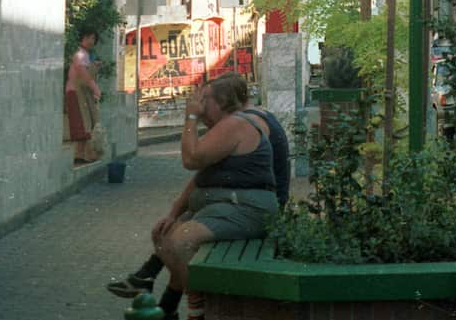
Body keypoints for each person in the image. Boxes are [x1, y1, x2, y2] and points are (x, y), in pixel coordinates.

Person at [106, 74, 290, 304]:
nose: (200, 108)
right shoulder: (231, 124)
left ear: (221, 102)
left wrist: (191, 117)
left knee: (182, 241)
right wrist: (173, 213)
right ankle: (167, 305)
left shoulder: (239, 123)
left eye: (204, 100)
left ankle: (201, 308)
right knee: (163, 235)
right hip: (227, 205)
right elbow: (202, 176)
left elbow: (191, 159)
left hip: (246, 208)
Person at [66, 31, 101, 165]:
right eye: (87, 37)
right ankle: (79, 155)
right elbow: (83, 74)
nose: (90, 40)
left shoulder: (87, 55)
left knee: (86, 122)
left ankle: (81, 155)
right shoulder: (80, 53)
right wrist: (95, 88)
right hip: (75, 91)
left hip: (82, 92)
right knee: (81, 123)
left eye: (93, 38)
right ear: (81, 38)